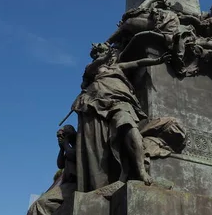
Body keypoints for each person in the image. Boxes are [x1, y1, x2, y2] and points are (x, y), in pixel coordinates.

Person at [72, 51, 171, 191]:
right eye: (102, 53)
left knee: (132, 132)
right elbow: (95, 65)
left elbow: (138, 63)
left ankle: (141, 171)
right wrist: (105, 56)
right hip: (99, 104)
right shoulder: (93, 69)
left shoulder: (117, 67)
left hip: (121, 103)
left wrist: (156, 61)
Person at [22, 125, 77, 215]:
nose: (65, 134)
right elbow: (60, 164)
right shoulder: (68, 147)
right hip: (66, 185)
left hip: (75, 184)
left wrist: (65, 143)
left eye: (67, 131)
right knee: (36, 206)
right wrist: (61, 149)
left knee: (41, 204)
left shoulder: (81, 142)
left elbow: (73, 156)